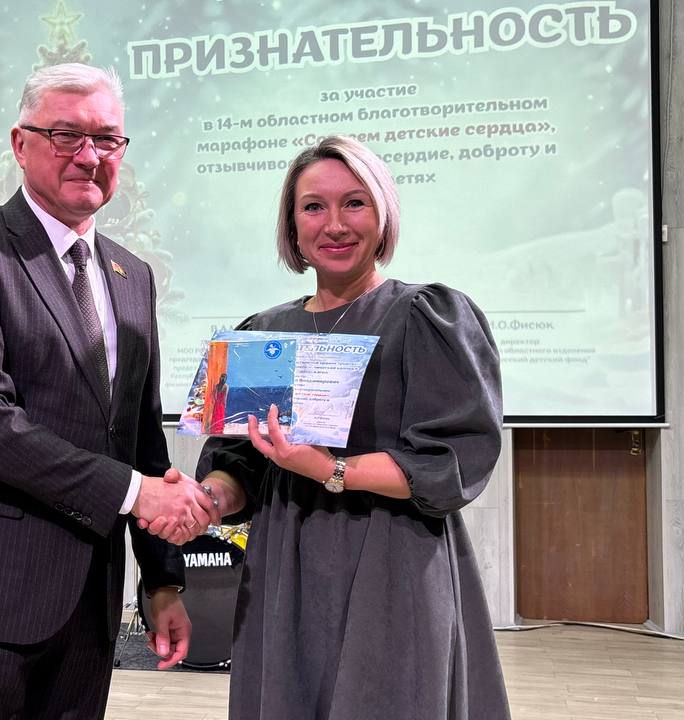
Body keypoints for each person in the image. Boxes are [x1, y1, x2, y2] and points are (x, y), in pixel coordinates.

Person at [0, 63, 216, 720]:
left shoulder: (132, 275)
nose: (89, 156)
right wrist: (136, 494)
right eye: (67, 135)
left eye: (108, 139)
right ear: (21, 143)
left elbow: (140, 437)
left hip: (89, 602)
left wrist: (161, 581)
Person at [148, 135, 510, 718]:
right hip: (283, 570)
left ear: (383, 214)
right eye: (314, 207)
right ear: (292, 227)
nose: (335, 224)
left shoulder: (427, 316)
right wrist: (207, 500)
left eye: (355, 203)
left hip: (393, 564)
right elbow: (240, 462)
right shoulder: (262, 333)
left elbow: (450, 463)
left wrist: (328, 469)